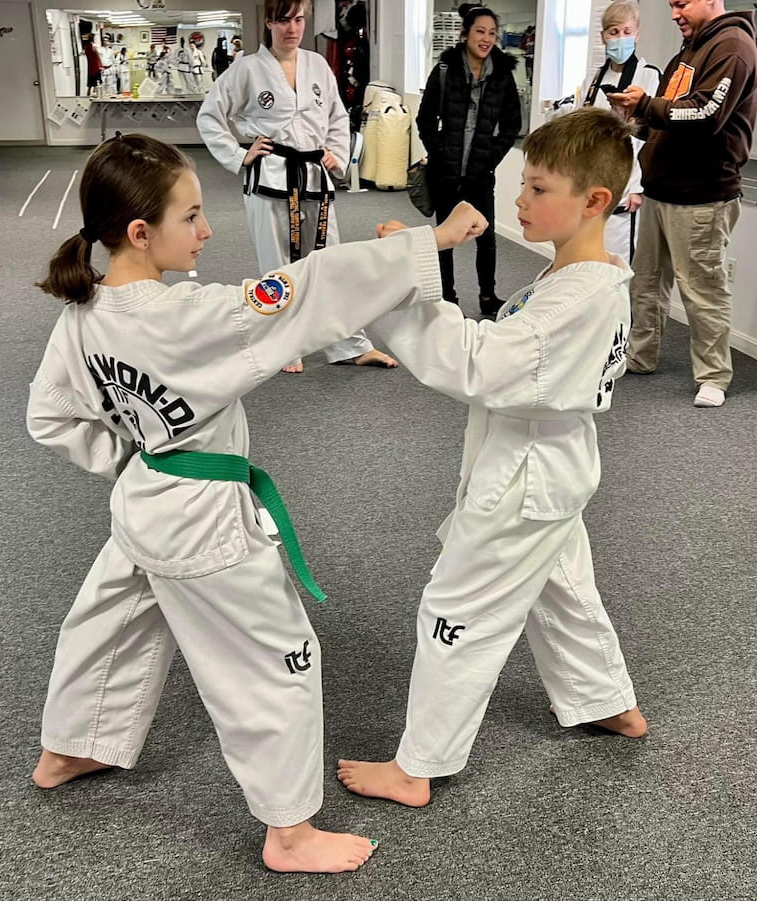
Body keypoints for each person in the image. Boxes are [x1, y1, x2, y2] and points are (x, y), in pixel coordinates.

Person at [26, 132, 486, 872]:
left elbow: (49, 417)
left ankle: (68, 750)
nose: (208, 231)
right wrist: (428, 242)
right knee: (279, 662)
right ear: (141, 232)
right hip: (206, 523)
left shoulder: (84, 311)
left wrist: (137, 456)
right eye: (192, 215)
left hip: (145, 503)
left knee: (109, 623)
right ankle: (291, 832)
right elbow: (309, 288)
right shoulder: (188, 317)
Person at [336, 107, 647, 809]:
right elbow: (505, 351)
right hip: (552, 469)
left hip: (524, 479)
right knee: (562, 588)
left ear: (594, 202)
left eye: (539, 188)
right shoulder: (583, 278)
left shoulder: (578, 296)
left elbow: (476, 363)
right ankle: (607, 700)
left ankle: (418, 765)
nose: (521, 199)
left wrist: (403, 279)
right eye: (524, 184)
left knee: (456, 610)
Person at [197, 0, 397, 373]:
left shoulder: (317, 64)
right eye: (284, 20)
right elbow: (209, 116)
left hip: (314, 174)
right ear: (270, 22)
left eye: (299, 19)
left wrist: (337, 154)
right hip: (271, 176)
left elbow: (337, 116)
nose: (293, 28)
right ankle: (285, 346)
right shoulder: (247, 69)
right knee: (278, 267)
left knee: (329, 263)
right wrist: (240, 155)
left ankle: (347, 344)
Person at [607, 0, 757, 408]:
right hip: (661, 189)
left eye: (681, 3)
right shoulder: (689, 50)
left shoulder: (732, 47)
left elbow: (708, 114)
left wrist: (644, 105)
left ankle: (713, 375)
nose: (674, 13)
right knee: (647, 283)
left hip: (702, 195)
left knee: (703, 289)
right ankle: (640, 356)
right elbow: (668, 114)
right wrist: (634, 115)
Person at [417, 3, 522, 320]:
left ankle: (488, 296)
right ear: (465, 34)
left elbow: (512, 125)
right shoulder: (446, 71)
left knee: (486, 238)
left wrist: (491, 156)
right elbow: (425, 119)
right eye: (480, 31)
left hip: (480, 173)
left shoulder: (503, 77)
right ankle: (447, 295)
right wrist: (438, 152)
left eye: (492, 33)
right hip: (446, 172)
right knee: (445, 238)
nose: (486, 38)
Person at [548, 0, 659, 262]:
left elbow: (647, 137)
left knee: (615, 262)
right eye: (613, 32)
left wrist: (635, 185)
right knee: (585, 257)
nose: (620, 38)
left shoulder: (648, 76)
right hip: (589, 183)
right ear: (603, 36)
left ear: (637, 34)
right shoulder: (593, 80)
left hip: (624, 187)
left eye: (627, 31)